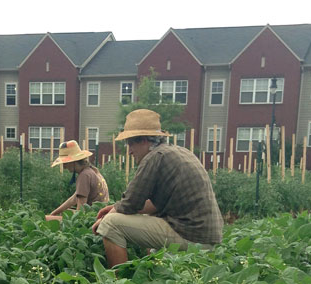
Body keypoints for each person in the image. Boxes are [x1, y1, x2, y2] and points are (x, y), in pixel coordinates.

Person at [91, 109, 223, 267]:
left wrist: (106, 218)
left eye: (131, 143)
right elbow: (155, 204)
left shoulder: (154, 157)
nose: (129, 150)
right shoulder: (179, 152)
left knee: (110, 224)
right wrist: (114, 207)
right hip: (206, 236)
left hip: (193, 237)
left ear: (144, 140)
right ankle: (155, 275)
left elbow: (131, 203)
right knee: (149, 219)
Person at [46, 140, 109, 221]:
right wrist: (54, 213)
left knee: (46, 220)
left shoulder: (84, 176)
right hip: (100, 215)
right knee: (64, 213)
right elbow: (74, 198)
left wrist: (50, 217)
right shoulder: (92, 171)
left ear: (74, 161)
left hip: (92, 219)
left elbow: (80, 212)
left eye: (65, 163)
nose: (64, 167)